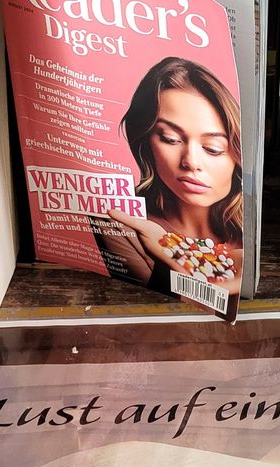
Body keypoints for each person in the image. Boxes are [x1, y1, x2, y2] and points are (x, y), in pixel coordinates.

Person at [103, 57, 243, 297]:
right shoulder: (125, 228)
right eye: (170, 138)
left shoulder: (248, 231)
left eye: (213, 148)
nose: (191, 162)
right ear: (146, 142)